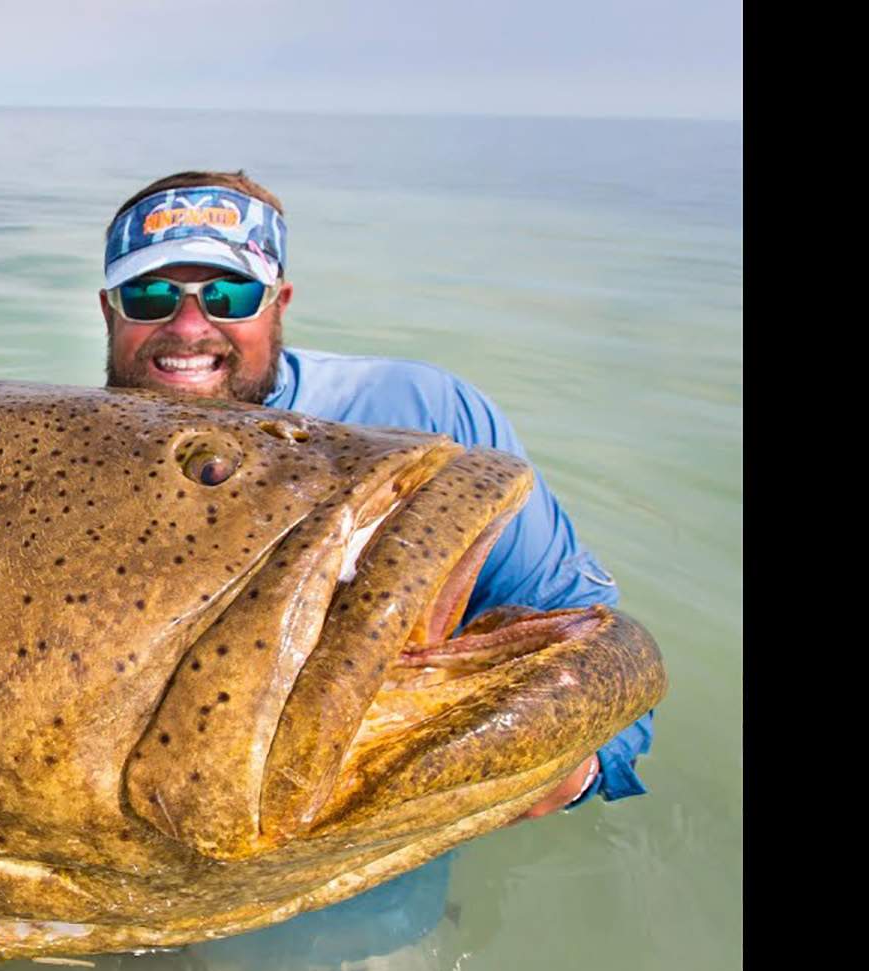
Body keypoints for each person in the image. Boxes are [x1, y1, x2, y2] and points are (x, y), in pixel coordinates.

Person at [99, 170, 654, 828]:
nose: (190, 325)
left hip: (368, 851)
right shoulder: (62, 459)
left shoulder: (426, 417)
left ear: (278, 303)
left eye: (229, 294)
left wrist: (571, 770)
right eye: (151, 294)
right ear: (110, 311)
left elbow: (594, 649)